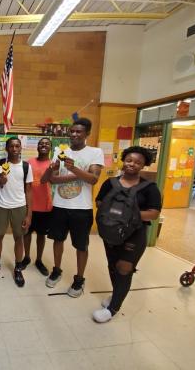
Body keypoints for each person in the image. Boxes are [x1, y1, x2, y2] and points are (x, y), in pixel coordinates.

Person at [93, 146, 161, 323]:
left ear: (143, 165)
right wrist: (113, 212)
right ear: (124, 160)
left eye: (138, 162)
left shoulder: (150, 188)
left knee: (124, 267)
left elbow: (154, 213)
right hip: (111, 231)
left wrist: (127, 215)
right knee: (113, 265)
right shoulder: (110, 183)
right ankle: (117, 295)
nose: (132, 164)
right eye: (129, 160)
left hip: (135, 234)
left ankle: (113, 308)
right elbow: (99, 201)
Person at [41, 118, 104, 297]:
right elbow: (52, 179)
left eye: (79, 132)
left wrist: (74, 169)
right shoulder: (60, 151)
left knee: (81, 246)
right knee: (57, 240)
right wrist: (76, 175)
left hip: (82, 209)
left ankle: (79, 279)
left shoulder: (95, 152)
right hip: (60, 205)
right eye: (72, 131)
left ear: (87, 134)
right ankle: (57, 270)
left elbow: (93, 179)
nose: (74, 134)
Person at [0, 137, 33, 287]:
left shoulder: (26, 166)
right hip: (1, 205)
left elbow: (29, 191)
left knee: (19, 238)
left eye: (17, 146)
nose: (14, 149)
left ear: (21, 148)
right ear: (6, 149)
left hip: (19, 206)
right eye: (11, 146)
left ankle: (18, 268)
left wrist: (29, 214)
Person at [22, 137, 53, 276]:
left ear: (50, 147)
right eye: (41, 143)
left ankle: (39, 260)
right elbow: (24, 183)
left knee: (41, 235)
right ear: (37, 147)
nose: (43, 145)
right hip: (28, 205)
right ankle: (26, 257)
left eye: (46, 144)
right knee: (26, 233)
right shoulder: (29, 163)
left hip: (45, 206)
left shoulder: (53, 164)